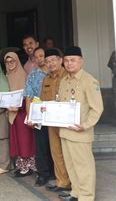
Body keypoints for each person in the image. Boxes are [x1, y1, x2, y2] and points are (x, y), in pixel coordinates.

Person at [57, 46, 104, 201]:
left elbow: (97, 108)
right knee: (71, 166)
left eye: (73, 60)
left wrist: (85, 125)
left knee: (84, 167)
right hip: (65, 131)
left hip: (80, 132)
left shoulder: (89, 81)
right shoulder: (64, 81)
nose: (69, 63)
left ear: (81, 61)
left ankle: (86, 196)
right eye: (66, 60)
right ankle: (76, 192)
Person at [38, 49, 71, 193]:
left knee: (69, 153)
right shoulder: (46, 79)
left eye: (53, 60)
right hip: (52, 122)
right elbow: (42, 100)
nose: (50, 63)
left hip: (66, 122)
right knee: (56, 152)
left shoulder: (68, 76)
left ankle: (74, 182)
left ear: (60, 60)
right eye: (47, 61)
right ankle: (62, 181)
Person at [4, 52, 35, 178]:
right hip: (12, 114)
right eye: (8, 62)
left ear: (17, 62)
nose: (10, 64)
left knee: (25, 141)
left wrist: (20, 107)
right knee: (17, 140)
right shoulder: (7, 76)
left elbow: (28, 95)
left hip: (22, 113)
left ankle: (29, 167)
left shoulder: (23, 75)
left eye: (13, 61)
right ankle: (21, 165)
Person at [23, 47, 51, 186]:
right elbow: (28, 97)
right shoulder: (32, 75)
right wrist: (30, 116)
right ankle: (43, 174)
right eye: (36, 57)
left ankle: (57, 173)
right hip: (39, 115)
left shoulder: (55, 73)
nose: (39, 58)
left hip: (54, 114)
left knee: (55, 146)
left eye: (42, 55)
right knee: (41, 146)